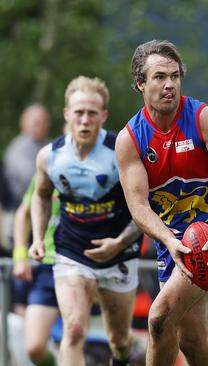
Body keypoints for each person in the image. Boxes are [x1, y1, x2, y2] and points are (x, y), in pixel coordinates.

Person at [115, 39, 208, 366]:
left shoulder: (203, 118)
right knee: (191, 342)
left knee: (159, 318)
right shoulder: (130, 140)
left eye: (175, 76)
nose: (169, 85)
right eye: (160, 77)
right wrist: (167, 239)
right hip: (173, 243)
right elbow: (139, 208)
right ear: (140, 83)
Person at [31, 76, 142, 366]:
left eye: (92, 113)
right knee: (74, 329)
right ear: (67, 114)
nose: (84, 120)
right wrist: (37, 238)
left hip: (119, 251)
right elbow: (41, 196)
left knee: (119, 341)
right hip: (72, 251)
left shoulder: (121, 150)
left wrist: (119, 243)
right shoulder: (50, 156)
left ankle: (123, 357)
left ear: (103, 116)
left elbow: (145, 205)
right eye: (78, 112)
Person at [12, 176, 60, 366]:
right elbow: (23, 213)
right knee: (34, 348)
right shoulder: (50, 165)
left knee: (74, 338)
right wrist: (20, 256)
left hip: (84, 266)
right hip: (47, 266)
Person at [1, 104, 50, 252]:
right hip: (19, 212)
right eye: (35, 122)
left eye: (42, 122)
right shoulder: (18, 149)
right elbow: (31, 180)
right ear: (23, 123)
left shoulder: (49, 145)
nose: (38, 125)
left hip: (46, 212)